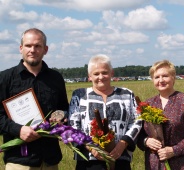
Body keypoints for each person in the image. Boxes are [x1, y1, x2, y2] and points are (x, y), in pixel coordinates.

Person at [0, 28, 69, 169]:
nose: (33, 50)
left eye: (37, 46)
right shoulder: (5, 78)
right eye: (28, 45)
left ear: (45, 49)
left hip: (50, 159)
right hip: (19, 161)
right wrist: (18, 130)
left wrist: (61, 116)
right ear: (21, 48)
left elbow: (64, 107)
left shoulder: (56, 78)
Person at [68, 54, 142, 170]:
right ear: (89, 76)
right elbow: (73, 125)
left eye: (105, 72)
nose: (101, 77)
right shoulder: (79, 95)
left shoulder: (127, 94)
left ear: (112, 73)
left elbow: (137, 121)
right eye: (96, 74)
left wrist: (123, 143)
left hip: (120, 158)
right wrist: (91, 147)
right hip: (89, 161)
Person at [137, 60, 184, 170]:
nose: (161, 80)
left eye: (165, 76)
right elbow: (139, 134)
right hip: (155, 164)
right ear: (152, 80)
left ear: (173, 78)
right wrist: (146, 141)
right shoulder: (148, 104)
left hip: (183, 163)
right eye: (157, 77)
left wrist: (174, 150)